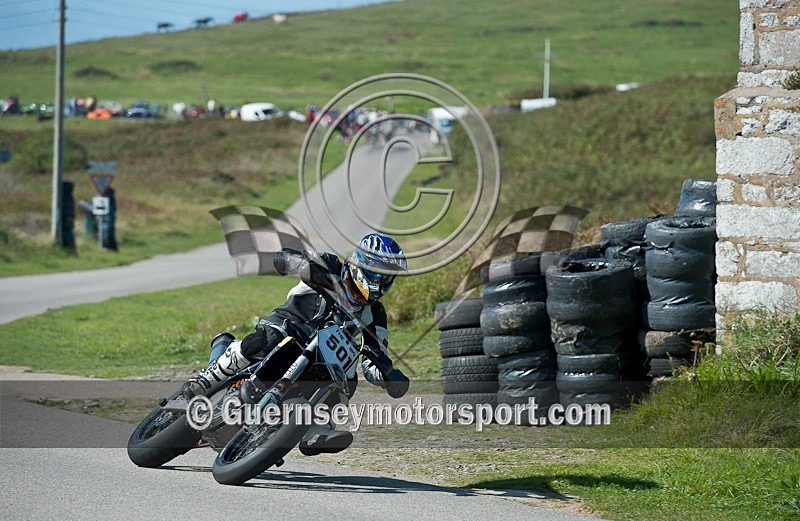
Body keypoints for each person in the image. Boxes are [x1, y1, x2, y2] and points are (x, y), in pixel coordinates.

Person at [182, 233, 410, 454]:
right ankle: (207, 379)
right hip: (289, 326)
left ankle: (317, 431)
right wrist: (301, 265)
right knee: (267, 339)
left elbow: (374, 356)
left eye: (388, 277)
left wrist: (387, 375)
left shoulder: (376, 313)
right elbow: (284, 259)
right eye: (378, 273)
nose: (383, 282)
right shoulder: (332, 265)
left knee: (347, 381)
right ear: (362, 263)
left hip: (322, 356)